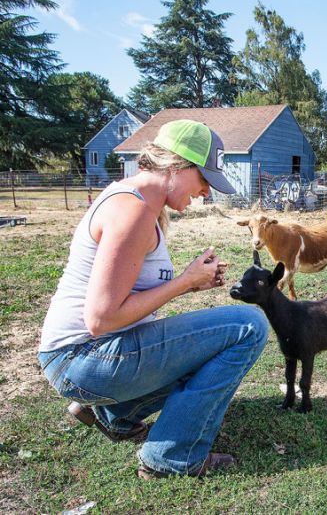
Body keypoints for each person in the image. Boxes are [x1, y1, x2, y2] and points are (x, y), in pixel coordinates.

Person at [38, 119, 269, 479]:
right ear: (178, 165)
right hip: (80, 358)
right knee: (248, 327)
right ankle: (173, 456)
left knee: (214, 343)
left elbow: (125, 300)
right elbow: (102, 319)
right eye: (205, 179)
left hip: (86, 357)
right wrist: (182, 283)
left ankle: (113, 414)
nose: (206, 192)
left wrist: (190, 284)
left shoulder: (141, 204)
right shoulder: (133, 212)